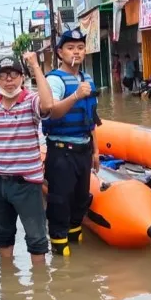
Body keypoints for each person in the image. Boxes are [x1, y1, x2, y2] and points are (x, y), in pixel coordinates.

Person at [0, 53, 54, 264]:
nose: (8, 79)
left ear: (21, 78)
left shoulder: (31, 101)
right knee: (2, 237)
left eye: (13, 74)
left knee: (36, 239)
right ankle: (7, 283)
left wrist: (34, 64)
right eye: (3, 75)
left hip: (27, 185)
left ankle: (39, 288)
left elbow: (48, 105)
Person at [42, 28, 101, 256]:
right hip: (61, 152)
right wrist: (76, 95)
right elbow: (52, 112)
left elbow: (92, 119)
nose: (76, 52)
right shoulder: (54, 80)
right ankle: (59, 248)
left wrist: (95, 150)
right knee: (60, 201)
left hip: (83, 150)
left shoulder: (88, 80)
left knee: (80, 198)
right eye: (70, 48)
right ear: (60, 52)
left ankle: (76, 241)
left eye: (80, 47)